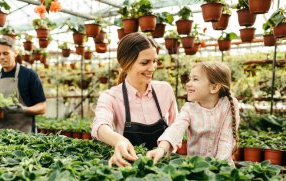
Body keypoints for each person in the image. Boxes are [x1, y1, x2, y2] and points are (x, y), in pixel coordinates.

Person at [91, 32, 178, 167]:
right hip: (129, 166)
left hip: (164, 166)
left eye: (154, 61)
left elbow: (176, 128)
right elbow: (100, 126)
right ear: (126, 64)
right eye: (145, 62)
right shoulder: (111, 96)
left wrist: (164, 148)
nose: (152, 68)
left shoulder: (164, 90)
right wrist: (119, 141)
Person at [147, 62, 240, 165]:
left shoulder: (228, 105)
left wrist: (217, 168)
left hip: (223, 170)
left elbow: (226, 141)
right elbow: (176, 129)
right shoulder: (189, 109)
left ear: (214, 87)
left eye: (195, 79)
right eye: (189, 79)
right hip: (196, 169)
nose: (188, 84)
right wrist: (161, 148)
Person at [0, 36, 46, 133]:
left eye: (5, 53)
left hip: (24, 137)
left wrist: (23, 110)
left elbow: (42, 107)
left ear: (15, 53)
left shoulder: (29, 75)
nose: (1, 57)